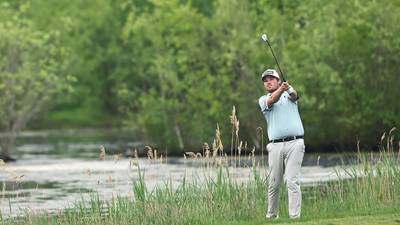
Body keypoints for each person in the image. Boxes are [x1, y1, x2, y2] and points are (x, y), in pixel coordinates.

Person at [258, 69, 305, 219]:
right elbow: (272, 101)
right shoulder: (263, 99)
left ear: (278, 81)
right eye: (266, 80)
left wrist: (288, 88)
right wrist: (281, 89)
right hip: (275, 145)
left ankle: (294, 217)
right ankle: (272, 216)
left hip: (295, 143)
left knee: (292, 181)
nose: (268, 82)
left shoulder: (289, 96)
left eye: (272, 79)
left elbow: (295, 96)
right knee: (274, 183)